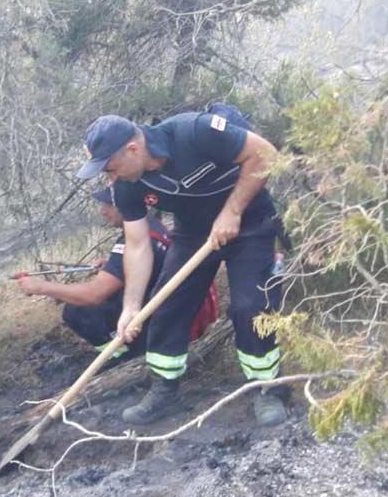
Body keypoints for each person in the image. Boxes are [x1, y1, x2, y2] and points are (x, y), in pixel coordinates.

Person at [75, 106, 290, 427]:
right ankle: (166, 390)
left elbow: (265, 153)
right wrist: (131, 307)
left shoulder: (196, 132)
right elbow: (137, 244)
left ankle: (266, 388)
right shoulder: (127, 186)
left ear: (133, 150)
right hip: (193, 233)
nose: (111, 177)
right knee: (166, 304)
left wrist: (232, 212)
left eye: (110, 167)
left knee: (250, 305)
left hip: (250, 222)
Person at [16, 187, 217, 363]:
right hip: (184, 311)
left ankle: (126, 358)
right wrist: (113, 265)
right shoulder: (150, 225)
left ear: (127, 203)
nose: (103, 211)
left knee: (77, 311)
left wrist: (41, 287)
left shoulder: (136, 238)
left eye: (109, 205)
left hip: (177, 324)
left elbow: (94, 294)